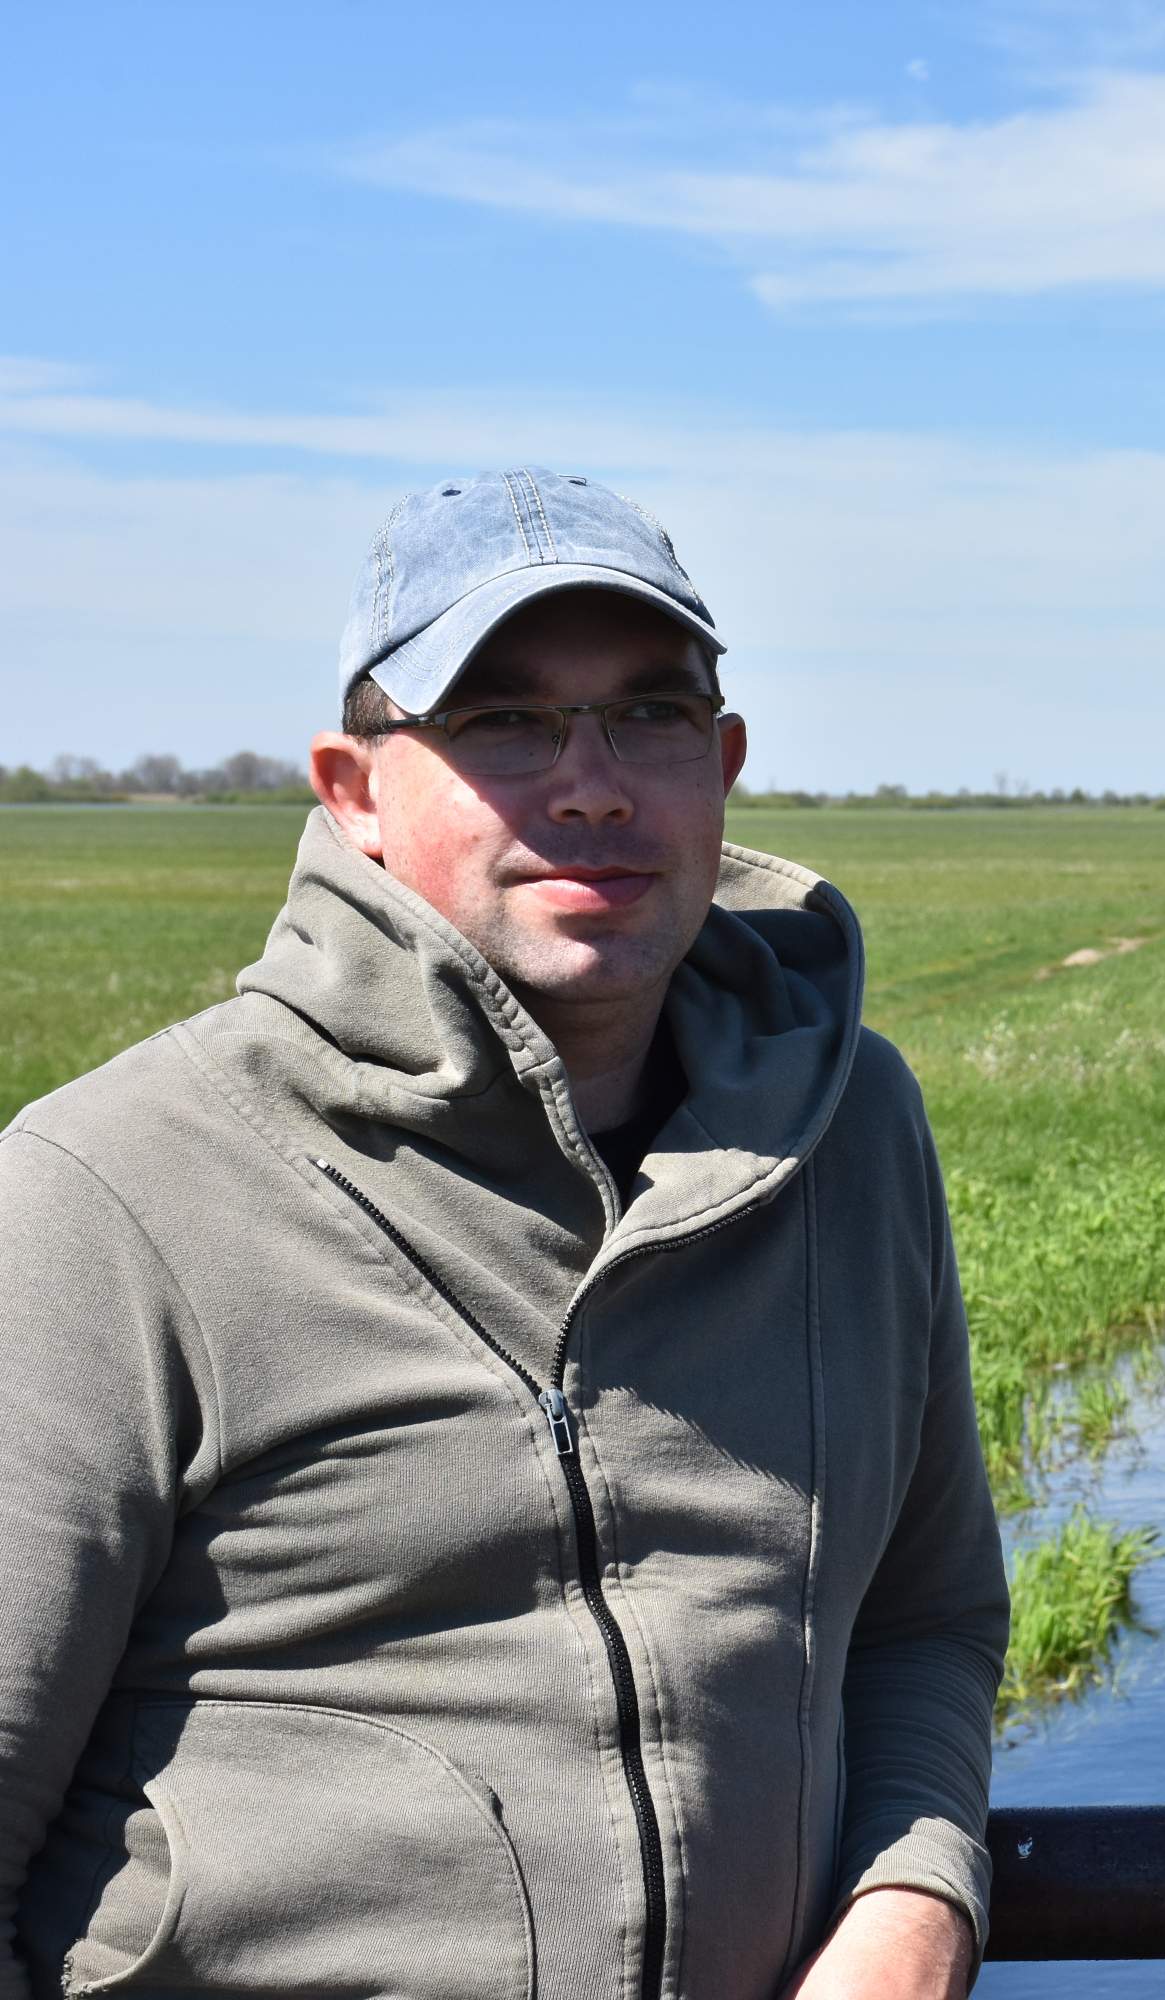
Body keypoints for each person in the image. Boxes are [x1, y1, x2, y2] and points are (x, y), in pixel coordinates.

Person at [1, 469, 1011, 2000]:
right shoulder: (118, 1187)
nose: (593, 784)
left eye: (651, 716)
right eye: (504, 723)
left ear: (724, 764)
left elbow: (926, 1622)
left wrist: (913, 1905)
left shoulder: (849, 1132)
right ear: (354, 792)